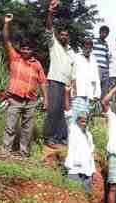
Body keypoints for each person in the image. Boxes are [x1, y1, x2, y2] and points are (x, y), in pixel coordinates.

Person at [1, 13, 48, 156]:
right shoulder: (15, 58)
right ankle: (5, 152)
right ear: (20, 49)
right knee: (10, 127)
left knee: (27, 129)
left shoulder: (37, 64)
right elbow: (5, 39)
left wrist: (46, 100)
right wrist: (7, 23)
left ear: (32, 50)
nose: (25, 51)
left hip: (31, 101)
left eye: (28, 48)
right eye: (23, 48)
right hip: (14, 99)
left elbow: (43, 83)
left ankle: (23, 153)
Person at [43, 0, 76, 147]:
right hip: (55, 81)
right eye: (61, 34)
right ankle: (49, 137)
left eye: (66, 35)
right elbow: (49, 28)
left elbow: (75, 70)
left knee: (65, 112)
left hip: (68, 85)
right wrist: (51, 12)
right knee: (54, 109)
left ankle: (61, 138)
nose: (63, 37)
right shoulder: (53, 44)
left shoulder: (72, 52)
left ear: (69, 37)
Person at [63, 87, 96, 195]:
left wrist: (93, 172)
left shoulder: (89, 135)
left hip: (87, 173)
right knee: (73, 198)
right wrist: (67, 93)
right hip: (75, 171)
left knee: (86, 200)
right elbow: (68, 112)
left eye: (85, 120)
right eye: (81, 120)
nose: (84, 122)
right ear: (77, 120)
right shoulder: (73, 129)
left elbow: (91, 154)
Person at [70, 38, 101, 123]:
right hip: (79, 92)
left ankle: (84, 135)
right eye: (86, 46)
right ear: (82, 47)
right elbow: (73, 75)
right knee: (75, 117)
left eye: (90, 46)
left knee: (86, 118)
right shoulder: (77, 57)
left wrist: (97, 94)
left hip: (90, 93)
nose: (88, 48)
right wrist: (74, 89)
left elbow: (96, 77)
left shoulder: (94, 59)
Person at [92, 25, 110, 106]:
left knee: (104, 89)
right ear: (100, 32)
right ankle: (92, 107)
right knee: (96, 88)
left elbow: (106, 56)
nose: (104, 34)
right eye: (103, 32)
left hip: (105, 68)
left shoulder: (106, 44)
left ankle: (101, 108)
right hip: (97, 67)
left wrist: (107, 67)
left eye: (106, 33)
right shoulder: (94, 41)